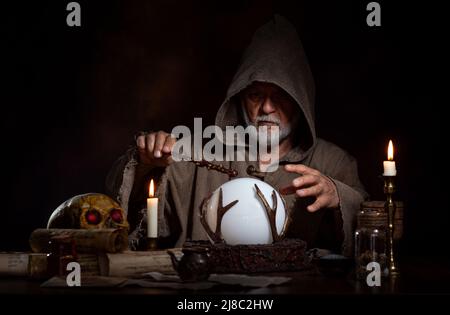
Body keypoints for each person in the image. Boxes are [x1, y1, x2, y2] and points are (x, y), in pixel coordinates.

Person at [106, 15, 367, 256]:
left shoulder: (334, 162)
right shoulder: (193, 155)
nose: (266, 108)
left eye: (281, 97)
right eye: (256, 95)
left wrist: (338, 196)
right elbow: (120, 210)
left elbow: (373, 230)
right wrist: (145, 163)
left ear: (300, 102)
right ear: (241, 99)